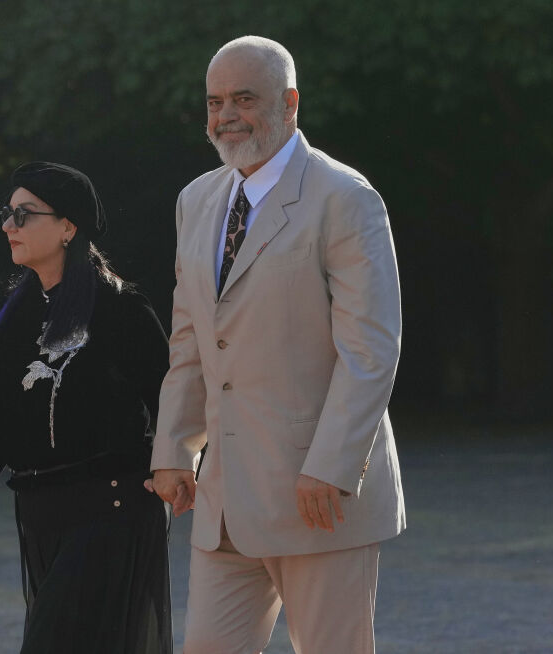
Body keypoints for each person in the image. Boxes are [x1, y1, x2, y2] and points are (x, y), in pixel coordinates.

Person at [148, 36, 405, 654]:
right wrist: (174, 449)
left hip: (318, 498)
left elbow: (370, 350)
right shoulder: (196, 200)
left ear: (290, 103)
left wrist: (332, 465)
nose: (226, 115)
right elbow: (190, 339)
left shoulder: (345, 198)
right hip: (225, 502)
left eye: (244, 98)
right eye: (214, 101)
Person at [0, 162, 173, 654]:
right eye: (8, 213)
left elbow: (173, 401)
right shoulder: (19, 316)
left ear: (68, 226)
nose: (8, 225)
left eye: (24, 214)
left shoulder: (121, 310)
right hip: (41, 514)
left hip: (111, 511)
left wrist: (174, 465)